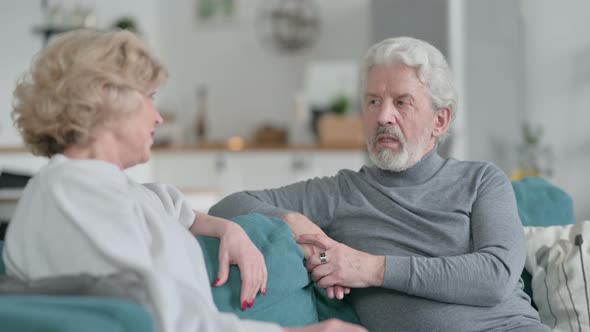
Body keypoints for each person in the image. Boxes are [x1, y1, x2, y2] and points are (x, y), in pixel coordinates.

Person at [2, 29, 365, 332]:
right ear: (105, 100)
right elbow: (162, 319)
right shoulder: (72, 192)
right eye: (149, 98)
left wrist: (229, 230)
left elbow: (175, 210)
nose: (158, 117)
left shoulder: (105, 187)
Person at [209, 37, 551, 332]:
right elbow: (228, 205)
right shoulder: (341, 193)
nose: (383, 116)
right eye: (373, 101)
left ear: (440, 119)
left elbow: (497, 275)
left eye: (401, 102)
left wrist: (369, 268)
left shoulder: (482, 180)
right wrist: (292, 221)